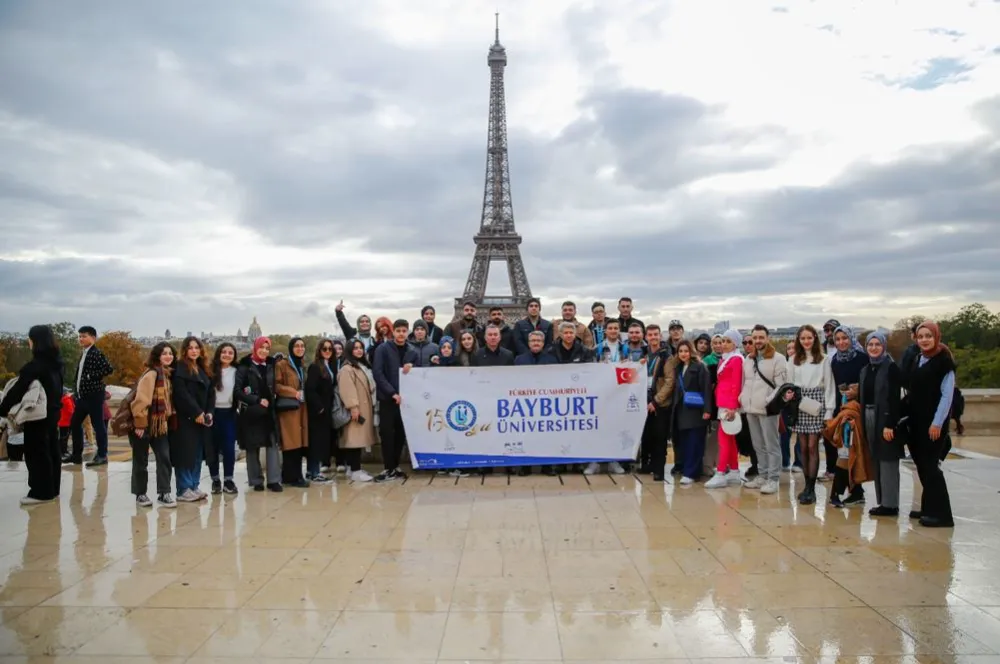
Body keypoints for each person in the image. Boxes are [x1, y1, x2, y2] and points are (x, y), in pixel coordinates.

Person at [0, 325, 64, 505]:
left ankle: (41, 492)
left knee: (36, 453)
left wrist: (3, 409)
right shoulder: (58, 363)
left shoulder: (35, 366)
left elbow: (17, 391)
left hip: (37, 416)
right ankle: (53, 489)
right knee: (52, 451)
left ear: (35, 342)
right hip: (54, 412)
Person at [903, 321, 955, 528]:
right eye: (920, 336)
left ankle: (942, 514)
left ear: (936, 337)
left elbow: (947, 396)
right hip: (917, 421)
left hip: (933, 423)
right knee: (922, 467)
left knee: (931, 467)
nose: (924, 340)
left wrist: (937, 423)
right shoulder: (918, 359)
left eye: (928, 336)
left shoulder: (944, 362)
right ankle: (929, 507)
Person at [786, 325, 835, 505]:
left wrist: (828, 411)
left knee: (813, 446)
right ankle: (806, 485)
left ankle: (811, 488)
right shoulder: (793, 360)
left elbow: (829, 386)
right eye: (803, 338)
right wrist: (788, 396)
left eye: (809, 338)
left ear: (815, 338)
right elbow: (788, 383)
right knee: (803, 446)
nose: (806, 341)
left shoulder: (824, 359)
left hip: (816, 402)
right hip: (799, 401)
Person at [859, 331, 904, 517]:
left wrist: (890, 423)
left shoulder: (891, 368)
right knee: (877, 457)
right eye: (871, 345)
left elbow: (895, 398)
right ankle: (882, 500)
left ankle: (891, 503)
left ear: (883, 346)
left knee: (888, 459)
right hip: (869, 415)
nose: (874, 348)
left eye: (877, 344)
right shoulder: (866, 369)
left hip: (886, 418)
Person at [739, 325, 787, 495]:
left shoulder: (778, 359)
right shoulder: (749, 359)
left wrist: (769, 401)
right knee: (758, 445)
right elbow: (746, 382)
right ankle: (762, 474)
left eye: (761, 337)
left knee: (771, 444)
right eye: (755, 338)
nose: (757, 341)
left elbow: (781, 386)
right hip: (751, 408)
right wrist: (742, 399)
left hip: (768, 408)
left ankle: (773, 479)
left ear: (767, 338)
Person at [129, 342, 177, 508]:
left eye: (170, 353)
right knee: (140, 460)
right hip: (144, 423)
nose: (168, 356)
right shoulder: (151, 375)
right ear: (157, 356)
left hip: (160, 424)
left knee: (164, 457)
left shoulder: (166, 375)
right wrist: (140, 424)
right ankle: (140, 493)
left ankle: (164, 492)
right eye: (164, 353)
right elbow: (141, 401)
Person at [828, 325, 870, 506]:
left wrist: (858, 391)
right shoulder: (835, 361)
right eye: (838, 339)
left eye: (845, 338)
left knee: (848, 451)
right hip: (842, 409)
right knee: (845, 450)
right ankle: (854, 491)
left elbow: (871, 382)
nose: (841, 342)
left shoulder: (862, 358)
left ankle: (837, 493)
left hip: (858, 410)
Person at [235, 337, 282, 492]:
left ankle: (274, 480)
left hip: (269, 410)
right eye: (261, 347)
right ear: (255, 348)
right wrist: (256, 399)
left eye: (267, 348)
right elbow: (237, 391)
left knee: (272, 444)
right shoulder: (244, 367)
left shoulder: (271, 365)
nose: (264, 351)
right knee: (252, 447)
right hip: (252, 412)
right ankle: (256, 480)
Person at [373, 320, 417, 482]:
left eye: (404, 331)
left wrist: (412, 366)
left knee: (400, 434)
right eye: (398, 330)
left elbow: (419, 373)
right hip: (388, 399)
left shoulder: (412, 351)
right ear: (394, 332)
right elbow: (378, 373)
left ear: (407, 332)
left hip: (405, 400)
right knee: (386, 433)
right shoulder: (382, 349)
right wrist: (392, 393)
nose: (401, 334)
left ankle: (395, 466)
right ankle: (388, 467)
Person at [171, 336, 214, 502]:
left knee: (197, 455)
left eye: (197, 347)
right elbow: (182, 395)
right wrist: (196, 413)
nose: (194, 351)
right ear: (185, 350)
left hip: (201, 419)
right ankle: (184, 488)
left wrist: (209, 413)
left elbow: (211, 394)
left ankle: (194, 485)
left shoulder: (203, 368)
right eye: (191, 348)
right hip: (186, 419)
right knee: (185, 455)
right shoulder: (180, 368)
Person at [66, 325, 114, 467]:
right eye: (79, 336)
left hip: (93, 396)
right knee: (75, 423)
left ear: (93, 338)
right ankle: (76, 455)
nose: (80, 339)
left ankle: (102, 455)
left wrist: (90, 376)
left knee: (98, 426)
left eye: (84, 336)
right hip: (83, 397)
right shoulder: (85, 352)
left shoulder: (95, 353)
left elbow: (108, 369)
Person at [667, 340, 713, 485]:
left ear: (691, 351)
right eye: (680, 351)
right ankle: (687, 469)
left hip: (696, 411)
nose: (683, 354)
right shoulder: (679, 367)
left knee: (695, 443)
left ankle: (692, 473)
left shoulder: (700, 367)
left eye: (686, 351)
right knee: (685, 443)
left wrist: (707, 410)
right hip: (681, 411)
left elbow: (706, 389)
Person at [705, 329, 745, 489]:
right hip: (722, 401)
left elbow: (736, 383)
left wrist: (733, 407)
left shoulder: (736, 359)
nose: (724, 344)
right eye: (723, 341)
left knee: (723, 439)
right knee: (730, 438)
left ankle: (721, 472)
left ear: (735, 343)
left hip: (729, 405)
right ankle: (734, 471)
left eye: (728, 341)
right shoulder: (725, 359)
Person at [337, 339, 377, 482]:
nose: (359, 350)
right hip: (356, 410)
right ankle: (355, 470)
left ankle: (354, 468)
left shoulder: (360, 366)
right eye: (355, 348)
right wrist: (353, 407)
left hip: (363, 408)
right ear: (349, 351)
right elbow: (347, 390)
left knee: (358, 440)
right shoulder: (347, 369)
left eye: (361, 348)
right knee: (353, 440)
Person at [275, 337, 311, 488]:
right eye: (297, 346)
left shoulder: (302, 364)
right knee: (291, 443)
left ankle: (293, 475)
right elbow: (276, 385)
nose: (300, 348)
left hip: (301, 408)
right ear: (291, 348)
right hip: (289, 409)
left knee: (299, 443)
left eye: (302, 346)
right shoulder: (282, 364)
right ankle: (293, 477)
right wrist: (293, 392)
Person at [639, 324, 671, 476]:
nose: (653, 337)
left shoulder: (666, 356)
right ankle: (647, 466)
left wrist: (656, 401)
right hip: (645, 401)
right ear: (646, 337)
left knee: (659, 438)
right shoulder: (644, 355)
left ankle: (659, 470)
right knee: (647, 436)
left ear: (660, 336)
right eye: (650, 335)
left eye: (656, 334)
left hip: (660, 403)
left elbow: (669, 382)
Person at [208, 342, 239, 495]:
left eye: (230, 353)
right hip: (212, 413)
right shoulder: (210, 371)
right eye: (224, 352)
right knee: (212, 449)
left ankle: (228, 479)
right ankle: (215, 479)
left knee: (229, 448)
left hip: (229, 413)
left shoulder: (237, 371)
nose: (227, 355)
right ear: (219, 353)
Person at [305, 339, 337, 484]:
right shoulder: (315, 367)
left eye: (330, 349)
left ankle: (313, 471)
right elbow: (310, 390)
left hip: (326, 409)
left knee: (321, 441)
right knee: (316, 442)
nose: (328, 351)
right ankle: (314, 472)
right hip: (318, 411)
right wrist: (320, 408)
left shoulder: (328, 366)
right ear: (319, 350)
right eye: (325, 349)